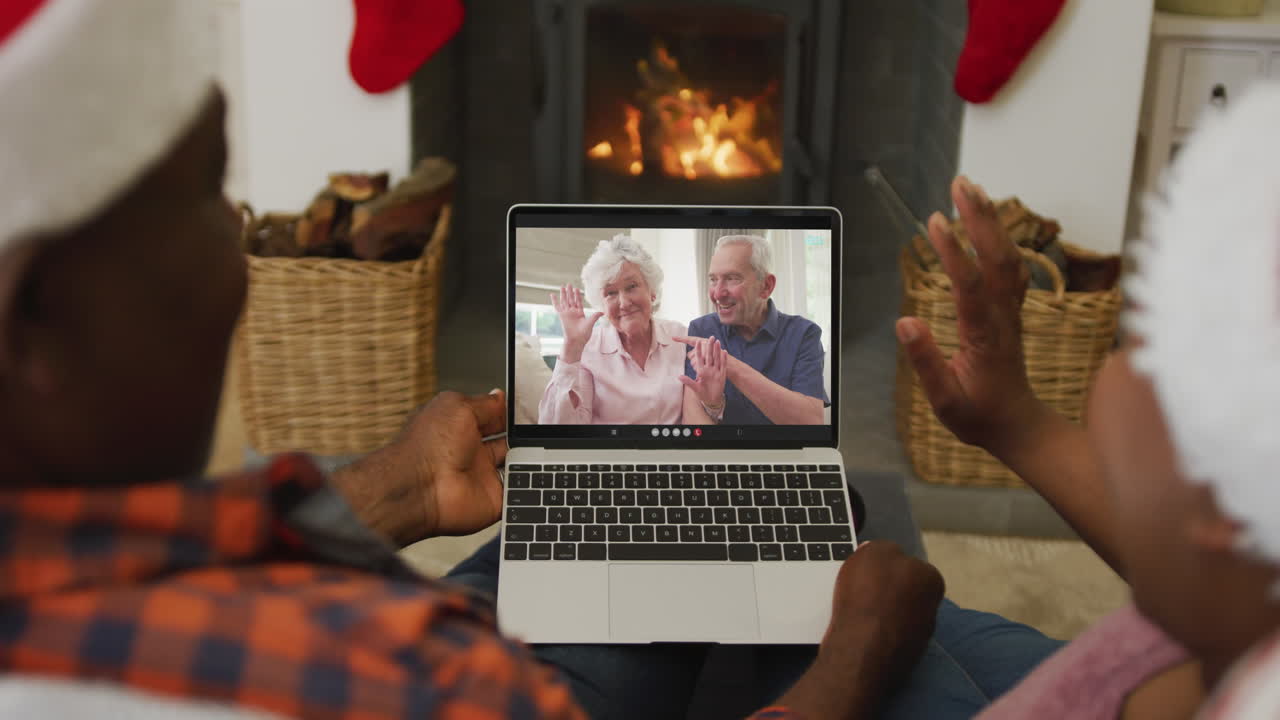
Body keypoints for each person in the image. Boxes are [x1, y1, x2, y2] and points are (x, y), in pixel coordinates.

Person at [0, 1, 950, 718]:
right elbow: (572, 429)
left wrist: (401, 490)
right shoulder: (425, 677)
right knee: (907, 632)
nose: (244, 262)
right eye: (213, 193)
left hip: (620, 500)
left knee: (548, 557)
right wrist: (850, 665)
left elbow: (170, 550)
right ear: (34, 312)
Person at [895, 85, 1280, 718]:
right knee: (927, 616)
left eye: (1140, 340)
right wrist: (1018, 422)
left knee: (820, 636)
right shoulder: (1235, 599)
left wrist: (843, 663)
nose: (1118, 364)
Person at [538, 233, 702, 425]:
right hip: (610, 454)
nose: (624, 303)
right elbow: (556, 431)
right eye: (611, 293)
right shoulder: (588, 349)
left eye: (632, 286)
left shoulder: (681, 338)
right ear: (601, 303)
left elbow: (703, 411)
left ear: (651, 291)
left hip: (670, 452)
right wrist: (572, 347)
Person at [678, 235, 827, 425]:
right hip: (721, 453)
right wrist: (713, 407)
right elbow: (694, 420)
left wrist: (731, 367)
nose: (717, 294)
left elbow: (811, 422)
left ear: (766, 286)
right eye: (713, 280)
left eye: (732, 279)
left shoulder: (804, 334)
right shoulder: (702, 329)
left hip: (783, 453)